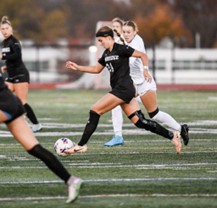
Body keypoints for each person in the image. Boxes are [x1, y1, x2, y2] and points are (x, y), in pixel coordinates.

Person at [64, 26, 182, 155]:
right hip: (121, 90)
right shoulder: (106, 53)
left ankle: (81, 145)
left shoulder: (121, 48)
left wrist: (145, 69)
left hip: (123, 89)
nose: (100, 43)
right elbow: (96, 69)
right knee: (140, 122)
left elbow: (142, 55)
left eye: (101, 40)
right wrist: (77, 67)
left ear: (109, 38)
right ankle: (172, 136)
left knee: (95, 110)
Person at [0, 73, 82, 203]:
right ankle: (70, 180)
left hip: (5, 106)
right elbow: (8, 86)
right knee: (34, 148)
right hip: (13, 104)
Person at [104, 20, 189, 147]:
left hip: (144, 83)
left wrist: (145, 70)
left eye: (129, 32)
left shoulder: (138, 41)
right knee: (116, 102)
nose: (126, 34)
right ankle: (118, 136)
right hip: (131, 85)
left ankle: (181, 128)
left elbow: (132, 59)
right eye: (124, 32)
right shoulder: (119, 42)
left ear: (135, 32)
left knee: (154, 114)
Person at [0, 16, 42, 132]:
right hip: (12, 75)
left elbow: (17, 56)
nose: (4, 31)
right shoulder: (4, 42)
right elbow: (11, 59)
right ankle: (16, 119)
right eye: (2, 29)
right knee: (2, 95)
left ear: (11, 29)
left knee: (22, 102)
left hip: (20, 75)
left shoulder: (14, 41)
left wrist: (3, 56)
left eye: (6, 28)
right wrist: (6, 66)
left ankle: (36, 125)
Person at [104, 17, 125, 147]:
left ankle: (177, 129)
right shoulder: (115, 42)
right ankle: (118, 136)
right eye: (113, 26)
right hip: (123, 83)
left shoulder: (129, 40)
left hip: (136, 82)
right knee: (115, 105)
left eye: (117, 26)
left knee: (154, 113)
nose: (114, 28)